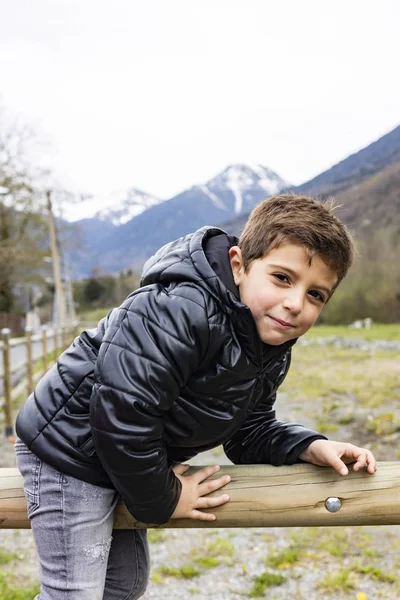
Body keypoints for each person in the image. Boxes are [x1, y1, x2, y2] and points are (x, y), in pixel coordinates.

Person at [15, 193, 376, 599]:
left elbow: (249, 430)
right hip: (70, 449)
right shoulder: (181, 309)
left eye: (316, 295)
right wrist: (166, 499)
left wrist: (310, 445)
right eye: (282, 278)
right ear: (239, 265)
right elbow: (123, 413)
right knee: (73, 591)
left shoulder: (267, 346)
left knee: (123, 584)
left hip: (119, 455)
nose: (295, 304)